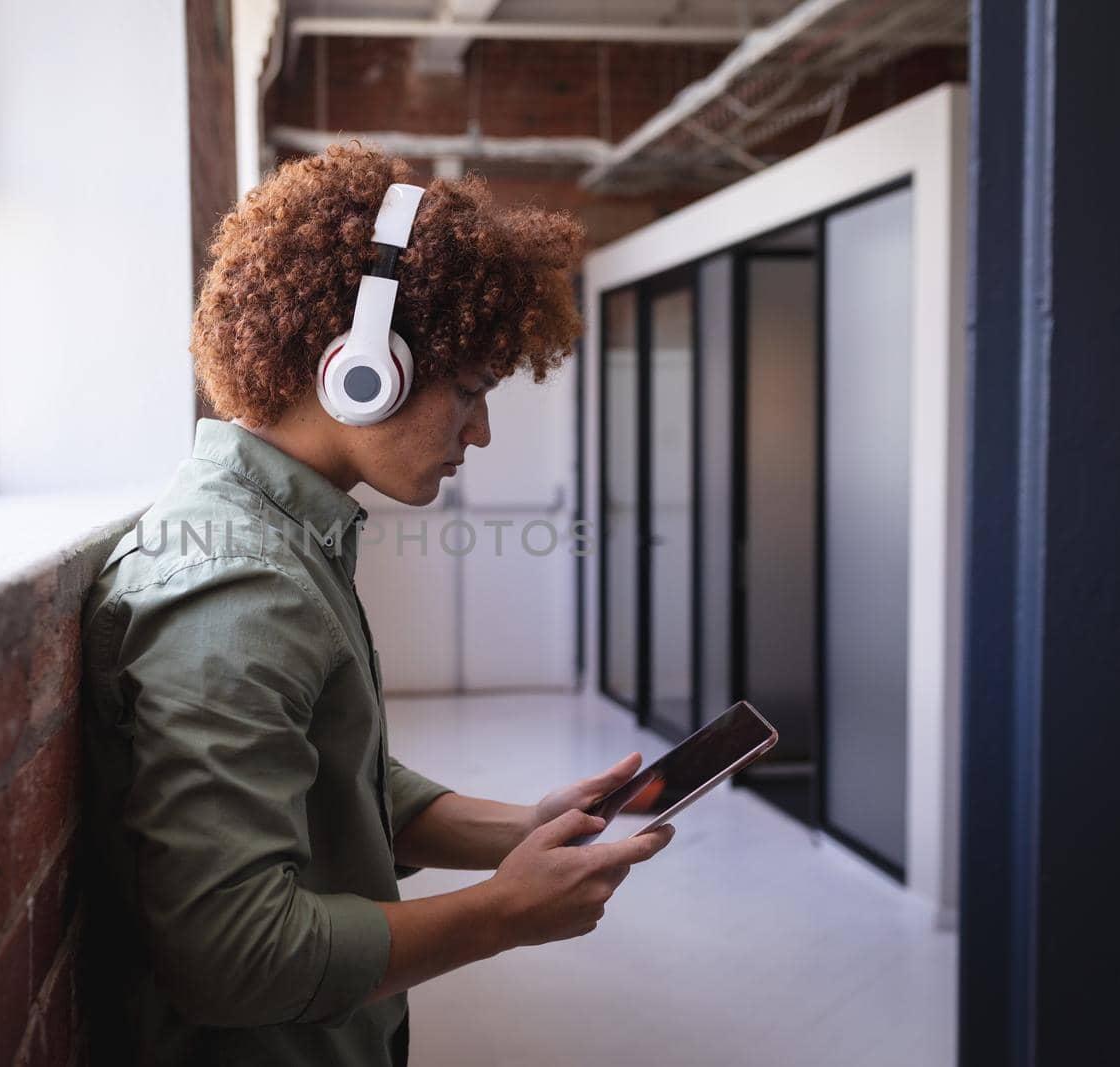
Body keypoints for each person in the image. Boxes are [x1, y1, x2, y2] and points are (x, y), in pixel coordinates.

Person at [80, 144, 676, 1067]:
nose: (480, 430)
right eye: (470, 392)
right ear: (363, 370)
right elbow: (232, 956)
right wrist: (505, 912)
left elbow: (333, 777)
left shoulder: (281, 539)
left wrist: (528, 827)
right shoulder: (241, 590)